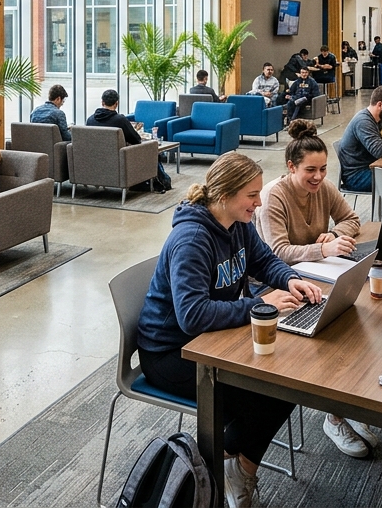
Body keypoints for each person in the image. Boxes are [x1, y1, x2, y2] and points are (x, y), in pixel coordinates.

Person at [137, 152, 323, 508]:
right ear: (224, 195)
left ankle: (236, 466)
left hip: (211, 340)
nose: (259, 202)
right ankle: (211, 459)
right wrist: (259, 305)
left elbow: (264, 260)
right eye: (251, 195)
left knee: (288, 378)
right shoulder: (192, 239)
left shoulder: (238, 223)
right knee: (271, 391)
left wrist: (290, 279)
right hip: (170, 353)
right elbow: (192, 316)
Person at [254, 121, 377, 459]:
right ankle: (334, 415)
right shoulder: (273, 196)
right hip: (275, 284)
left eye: (323, 169)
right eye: (310, 170)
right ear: (291, 167)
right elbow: (277, 252)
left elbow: (352, 219)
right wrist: (321, 249)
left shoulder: (324, 188)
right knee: (331, 338)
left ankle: (345, 401)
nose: (319, 177)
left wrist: (334, 234)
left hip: (315, 275)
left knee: (355, 323)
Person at [87, 88, 173, 190]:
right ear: (116, 103)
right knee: (151, 149)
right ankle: (161, 180)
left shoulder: (90, 120)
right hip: (120, 160)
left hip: (95, 161)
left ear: (102, 102)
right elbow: (136, 140)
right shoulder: (120, 120)